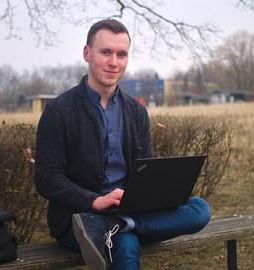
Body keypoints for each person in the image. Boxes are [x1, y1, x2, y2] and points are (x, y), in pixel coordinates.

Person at [34, 19, 211, 270]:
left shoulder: (137, 112)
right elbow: (46, 177)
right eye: (105, 52)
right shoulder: (58, 111)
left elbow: (144, 172)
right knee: (125, 242)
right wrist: (95, 201)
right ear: (87, 53)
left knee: (200, 209)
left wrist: (150, 196)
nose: (113, 62)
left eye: (121, 54)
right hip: (79, 218)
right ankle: (112, 224)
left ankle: (112, 224)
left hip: (129, 209)